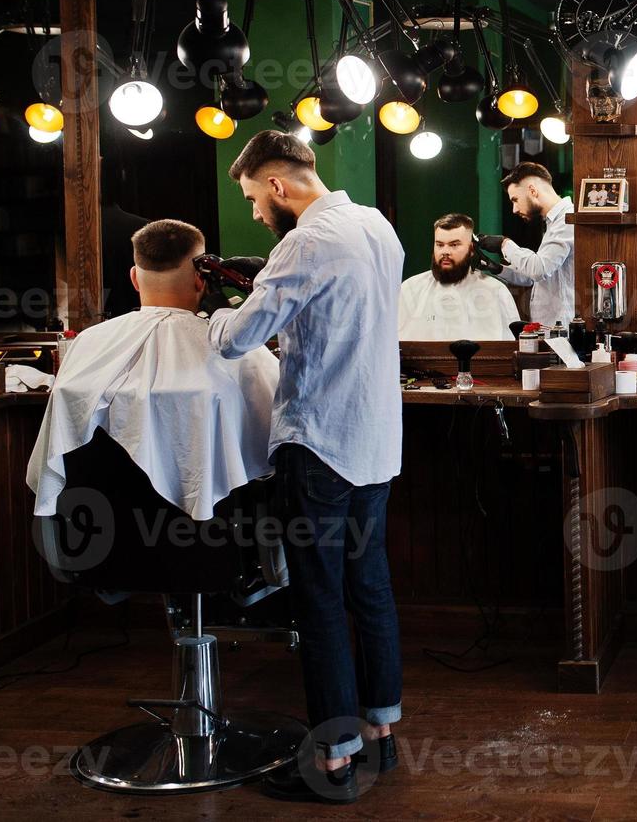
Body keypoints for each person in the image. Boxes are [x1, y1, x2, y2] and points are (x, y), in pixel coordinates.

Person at [207, 130, 405, 804]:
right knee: (369, 590)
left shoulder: (305, 241)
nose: (257, 214)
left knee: (318, 602)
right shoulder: (376, 226)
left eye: (255, 200)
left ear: (277, 185)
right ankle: (382, 737)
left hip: (320, 442)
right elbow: (340, 321)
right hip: (376, 442)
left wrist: (213, 316)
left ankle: (335, 762)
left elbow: (233, 341)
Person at [28, 219, 278, 521]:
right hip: (211, 536)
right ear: (202, 280)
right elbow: (276, 438)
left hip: (104, 534)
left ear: (134, 278)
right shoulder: (236, 347)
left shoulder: (88, 344)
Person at [479, 162, 575, 328]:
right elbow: (535, 278)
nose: (514, 209)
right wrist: (498, 269)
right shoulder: (554, 223)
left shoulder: (567, 220)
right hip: (552, 328)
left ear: (532, 191)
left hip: (564, 332)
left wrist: (504, 244)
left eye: (515, 200)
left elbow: (539, 269)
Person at [398, 212, 520, 341]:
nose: (445, 251)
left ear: (472, 249)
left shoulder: (495, 290)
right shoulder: (410, 288)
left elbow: (512, 348)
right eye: (439, 244)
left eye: (454, 245)